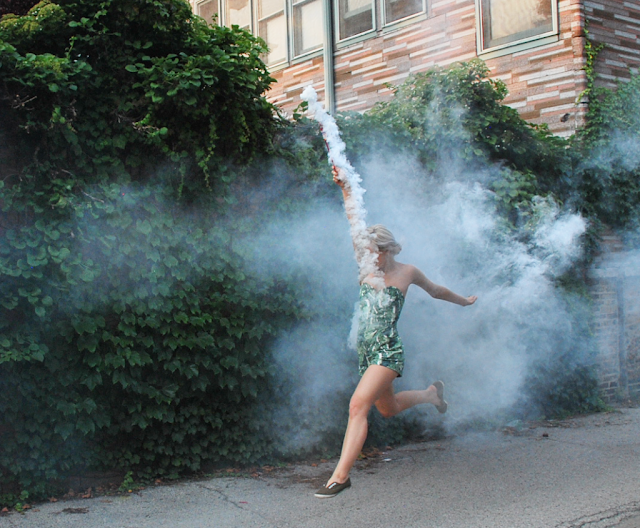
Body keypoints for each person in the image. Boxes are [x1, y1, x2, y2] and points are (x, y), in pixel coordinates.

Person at [314, 169, 477, 499]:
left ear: (387, 250)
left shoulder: (407, 272)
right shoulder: (366, 266)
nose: (368, 256)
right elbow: (353, 218)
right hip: (366, 352)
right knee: (387, 409)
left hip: (387, 351)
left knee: (357, 406)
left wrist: (464, 301)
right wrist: (345, 186)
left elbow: (436, 291)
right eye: (365, 251)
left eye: (374, 251)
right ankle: (431, 395)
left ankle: (340, 477)